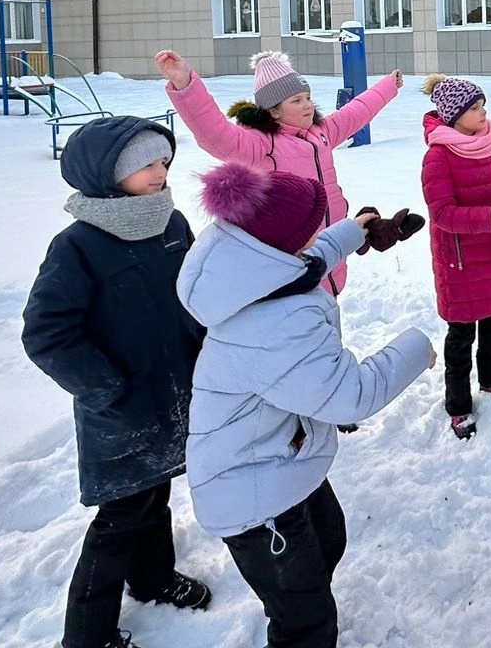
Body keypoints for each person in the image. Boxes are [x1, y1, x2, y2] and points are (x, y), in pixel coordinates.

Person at [177, 162, 434, 648]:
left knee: (328, 539)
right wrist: (417, 347)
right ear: (277, 249)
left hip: (277, 458)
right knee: (304, 618)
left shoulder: (248, 266)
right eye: (307, 232)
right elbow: (350, 395)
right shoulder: (272, 324)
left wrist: (353, 232)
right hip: (252, 495)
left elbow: (308, 257)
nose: (312, 241)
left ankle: (302, 595)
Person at [22, 117, 212, 648]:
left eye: (164, 161)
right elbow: (46, 335)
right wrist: (109, 390)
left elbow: (193, 297)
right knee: (120, 518)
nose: (161, 172)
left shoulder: (170, 224)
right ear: (108, 174)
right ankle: (87, 635)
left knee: (157, 493)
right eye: (146, 164)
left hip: (176, 391)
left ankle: (153, 579)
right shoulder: (77, 246)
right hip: (122, 410)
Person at [154, 48, 404, 297]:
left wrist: (388, 86)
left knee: (328, 316)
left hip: (333, 255)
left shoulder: (321, 133)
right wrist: (184, 83)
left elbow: (356, 112)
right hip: (293, 263)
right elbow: (214, 132)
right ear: (273, 110)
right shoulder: (261, 144)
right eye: (296, 101)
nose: (307, 105)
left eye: (307, 97)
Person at [418, 74, 491, 440]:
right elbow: (441, 213)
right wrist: (486, 216)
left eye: (483, 106)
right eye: (474, 108)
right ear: (453, 115)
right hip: (458, 262)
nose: (482, 113)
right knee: (460, 338)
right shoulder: (438, 156)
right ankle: (458, 406)